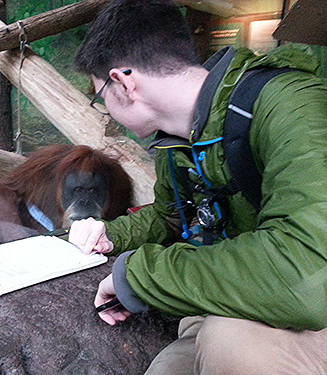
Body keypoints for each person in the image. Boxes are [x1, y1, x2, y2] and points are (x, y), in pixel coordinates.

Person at [68, 0, 327, 374]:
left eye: (100, 98)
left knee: (231, 342)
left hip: (303, 306)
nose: (105, 111)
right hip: (228, 306)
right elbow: (171, 218)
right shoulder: (178, 142)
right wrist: (108, 234)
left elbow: (307, 274)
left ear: (124, 83)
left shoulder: (291, 105)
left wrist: (139, 276)